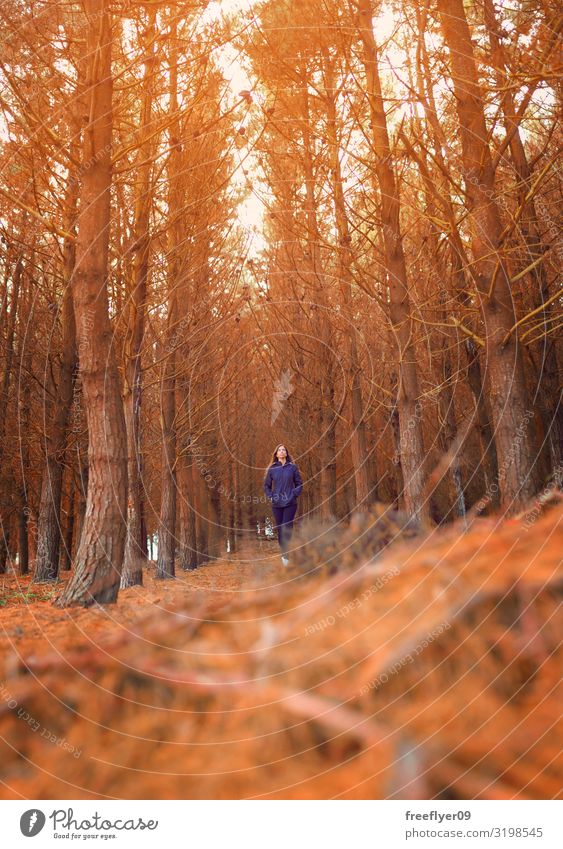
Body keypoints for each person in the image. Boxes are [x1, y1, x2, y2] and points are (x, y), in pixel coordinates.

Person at [263, 443, 303, 566]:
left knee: (286, 528)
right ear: (276, 454)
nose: (281, 451)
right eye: (279, 450)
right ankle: (284, 554)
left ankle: (286, 554)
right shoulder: (272, 468)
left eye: (283, 450)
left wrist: (294, 494)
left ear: (286, 453)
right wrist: (271, 496)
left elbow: (299, 483)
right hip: (277, 504)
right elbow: (266, 486)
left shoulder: (292, 467)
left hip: (290, 503)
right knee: (280, 529)